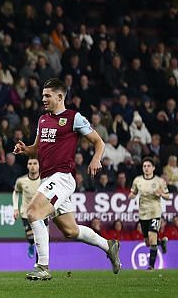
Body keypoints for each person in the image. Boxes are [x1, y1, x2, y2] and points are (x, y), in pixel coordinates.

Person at [13, 78, 120, 280]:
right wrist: (25, 150)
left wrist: (96, 159)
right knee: (71, 231)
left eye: (47, 95)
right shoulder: (43, 120)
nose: (43, 99)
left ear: (60, 96)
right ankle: (109, 245)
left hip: (62, 177)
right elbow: (36, 150)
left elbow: (99, 142)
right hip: (47, 180)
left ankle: (42, 266)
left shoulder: (74, 118)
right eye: (43, 95)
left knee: (33, 211)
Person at [128, 157, 170, 270]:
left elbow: (167, 196)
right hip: (143, 214)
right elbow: (132, 193)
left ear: (153, 168)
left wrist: (161, 194)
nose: (146, 168)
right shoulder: (137, 180)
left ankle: (151, 266)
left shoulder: (159, 181)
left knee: (152, 237)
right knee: (148, 242)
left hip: (155, 212)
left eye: (148, 166)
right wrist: (131, 196)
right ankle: (162, 243)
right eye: (144, 166)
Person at [13, 158, 47, 260]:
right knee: (32, 237)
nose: (32, 166)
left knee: (42, 239)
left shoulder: (44, 180)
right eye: (30, 163)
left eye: (35, 163)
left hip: (42, 213)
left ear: (39, 165)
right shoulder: (21, 181)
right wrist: (15, 208)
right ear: (27, 166)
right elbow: (16, 192)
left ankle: (39, 263)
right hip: (26, 213)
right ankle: (31, 245)